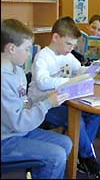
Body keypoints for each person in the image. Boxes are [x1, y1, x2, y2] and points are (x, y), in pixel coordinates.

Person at [28, 16, 100, 179]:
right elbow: (42, 83)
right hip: (43, 105)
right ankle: (87, 157)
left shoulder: (67, 55)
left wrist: (95, 68)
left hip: (64, 101)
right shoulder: (43, 57)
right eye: (68, 44)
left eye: (73, 45)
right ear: (56, 37)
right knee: (76, 119)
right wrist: (69, 81)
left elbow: (79, 70)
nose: (71, 48)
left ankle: (80, 151)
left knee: (95, 112)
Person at [1, 19, 72, 179]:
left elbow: (24, 104)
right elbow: (18, 122)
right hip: (6, 139)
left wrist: (45, 97)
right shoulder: (3, 80)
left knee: (65, 143)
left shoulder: (17, 71)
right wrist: (47, 104)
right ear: (11, 48)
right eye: (26, 49)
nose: (29, 54)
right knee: (56, 155)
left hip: (19, 132)